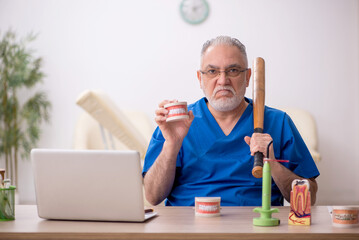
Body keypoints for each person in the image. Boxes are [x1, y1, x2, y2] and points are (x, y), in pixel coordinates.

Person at [142, 36, 319, 206]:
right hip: (189, 226)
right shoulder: (176, 123)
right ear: (200, 78)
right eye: (212, 71)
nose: (223, 80)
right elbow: (153, 196)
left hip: (255, 226)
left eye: (233, 70)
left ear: (248, 77)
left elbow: (308, 200)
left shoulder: (277, 122)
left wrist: (273, 166)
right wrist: (172, 144)